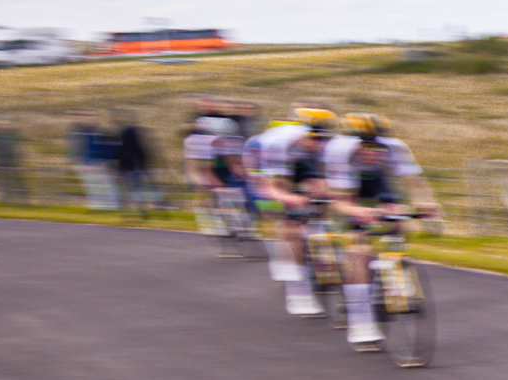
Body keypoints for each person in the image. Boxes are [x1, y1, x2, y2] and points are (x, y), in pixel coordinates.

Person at [321, 113, 438, 348]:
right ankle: (360, 319)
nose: (372, 151)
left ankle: (393, 268)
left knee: (397, 218)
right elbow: (339, 201)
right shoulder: (339, 151)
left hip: (377, 181)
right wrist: (357, 212)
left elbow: (414, 181)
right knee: (358, 247)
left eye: (376, 145)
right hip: (349, 185)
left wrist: (426, 203)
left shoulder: (395, 147)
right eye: (366, 146)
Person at [245, 106, 340, 314]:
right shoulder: (278, 143)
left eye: (322, 139)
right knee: (288, 220)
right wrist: (292, 199)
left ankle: (319, 249)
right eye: (313, 139)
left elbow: (325, 180)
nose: (318, 143)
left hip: (300, 161)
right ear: (301, 133)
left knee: (318, 198)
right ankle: (297, 293)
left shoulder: (322, 145)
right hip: (263, 166)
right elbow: (272, 188)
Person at [181, 102, 251, 235]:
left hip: (218, 168)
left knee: (233, 193)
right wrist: (214, 184)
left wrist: (245, 175)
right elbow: (200, 169)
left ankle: (238, 223)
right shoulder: (197, 142)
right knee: (214, 193)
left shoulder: (229, 140)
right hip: (199, 170)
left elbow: (233, 162)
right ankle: (216, 222)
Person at [110, 115, 156, 217]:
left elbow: (116, 153)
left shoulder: (121, 136)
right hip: (133, 167)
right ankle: (141, 210)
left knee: (126, 190)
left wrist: (114, 164)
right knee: (136, 189)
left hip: (123, 167)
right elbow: (140, 153)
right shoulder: (133, 137)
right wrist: (144, 165)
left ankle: (125, 210)